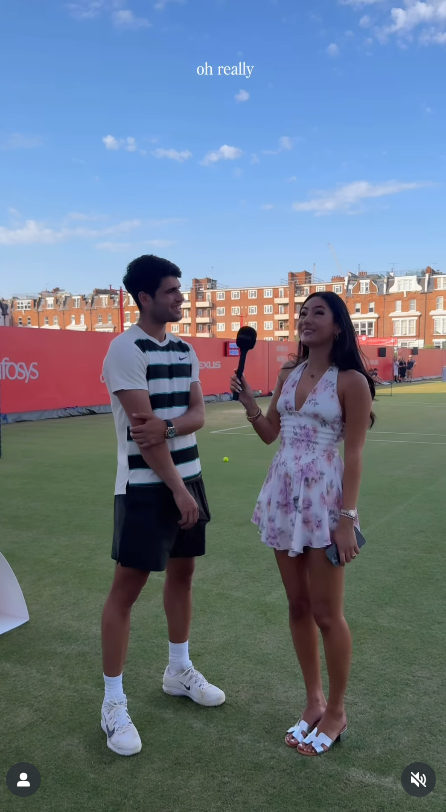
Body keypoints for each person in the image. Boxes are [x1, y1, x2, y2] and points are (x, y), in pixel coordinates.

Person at [230, 292, 374, 757]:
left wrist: (347, 519)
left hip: (324, 501)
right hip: (283, 494)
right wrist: (250, 404)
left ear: (338, 326)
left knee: (327, 614)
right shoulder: (288, 373)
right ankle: (313, 701)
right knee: (298, 606)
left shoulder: (352, 381)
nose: (306, 319)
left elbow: (355, 454)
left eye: (318, 313)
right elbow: (271, 433)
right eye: (302, 313)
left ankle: (337, 711)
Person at [101, 255, 225, 757]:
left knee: (183, 574)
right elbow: (143, 435)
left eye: (180, 289)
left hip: (188, 479)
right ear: (145, 297)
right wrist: (177, 489)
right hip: (146, 487)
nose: (180, 298)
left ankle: (178, 670)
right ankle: (112, 703)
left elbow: (195, 416)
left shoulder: (185, 349)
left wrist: (171, 428)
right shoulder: (124, 350)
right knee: (126, 592)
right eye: (171, 290)